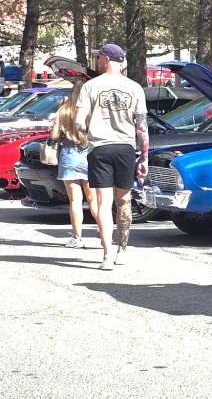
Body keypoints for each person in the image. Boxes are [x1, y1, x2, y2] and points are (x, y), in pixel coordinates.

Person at [75, 43, 148, 270]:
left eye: (99, 58)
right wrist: (144, 156)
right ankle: (122, 250)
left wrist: (87, 136)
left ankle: (106, 256)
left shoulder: (91, 86)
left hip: (99, 148)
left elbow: (78, 121)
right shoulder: (135, 88)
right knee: (124, 200)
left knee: (103, 204)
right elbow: (142, 128)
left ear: (106, 59)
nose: (97, 61)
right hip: (126, 148)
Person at [51, 79, 97, 248]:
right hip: (89, 155)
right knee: (94, 200)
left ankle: (77, 238)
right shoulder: (91, 110)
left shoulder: (63, 110)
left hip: (69, 155)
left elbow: (54, 136)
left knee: (75, 201)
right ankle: (103, 235)